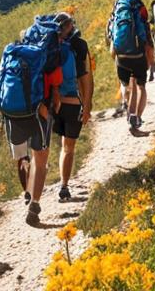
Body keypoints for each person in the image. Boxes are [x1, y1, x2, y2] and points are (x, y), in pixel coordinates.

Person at [0, 13, 74, 225]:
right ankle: (34, 204)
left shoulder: (14, 53)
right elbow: (56, 96)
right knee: (41, 161)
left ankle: (26, 191)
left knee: (22, 157)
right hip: (38, 112)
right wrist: (54, 108)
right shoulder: (50, 56)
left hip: (12, 114)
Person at [52, 15, 93, 202]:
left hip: (51, 104)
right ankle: (64, 186)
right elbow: (86, 78)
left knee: (40, 150)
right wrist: (87, 105)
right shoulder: (79, 45)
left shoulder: (49, 43)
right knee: (68, 147)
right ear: (71, 26)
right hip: (72, 103)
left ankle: (31, 193)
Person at [108, 0, 153, 131]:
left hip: (121, 57)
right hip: (138, 56)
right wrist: (151, 63)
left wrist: (119, 58)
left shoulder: (115, 19)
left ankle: (129, 111)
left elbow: (111, 47)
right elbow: (148, 45)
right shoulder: (140, 19)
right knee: (141, 86)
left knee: (127, 85)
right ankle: (137, 116)